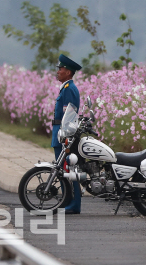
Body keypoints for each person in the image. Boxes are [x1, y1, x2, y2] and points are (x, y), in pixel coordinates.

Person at [52, 54, 82, 214]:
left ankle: (74, 204)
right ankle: (67, 201)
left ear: (68, 72)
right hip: (60, 134)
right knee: (64, 170)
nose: (58, 71)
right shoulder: (66, 88)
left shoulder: (69, 89)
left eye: (61, 69)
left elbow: (69, 115)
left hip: (64, 135)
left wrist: (66, 136)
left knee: (70, 170)